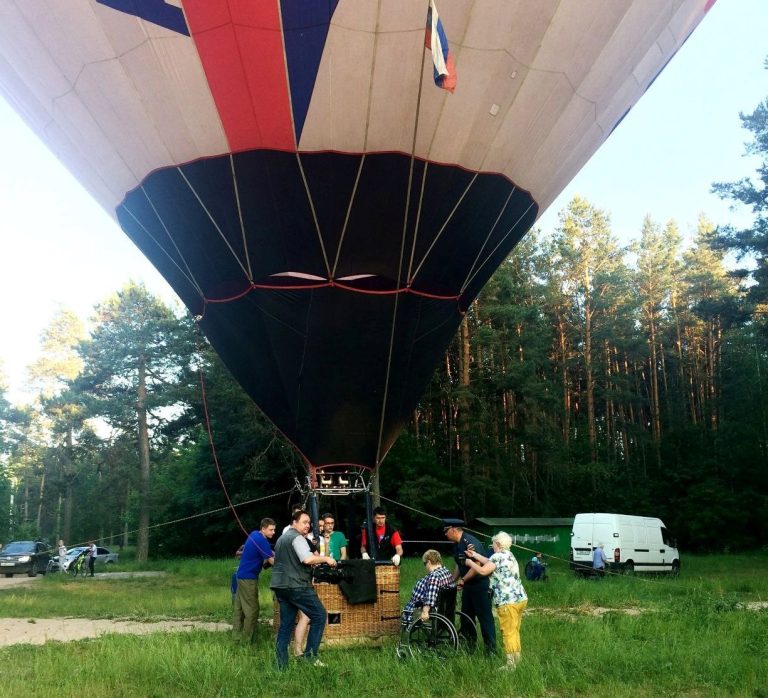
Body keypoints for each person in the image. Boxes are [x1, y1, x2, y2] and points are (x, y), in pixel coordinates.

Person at [271, 508, 337, 669]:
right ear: (294, 522)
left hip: (280, 586)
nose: (307, 525)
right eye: (304, 522)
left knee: (286, 624)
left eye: (309, 522)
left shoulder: (281, 539)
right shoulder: (297, 538)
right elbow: (307, 559)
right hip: (297, 586)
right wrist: (326, 559)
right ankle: (310, 657)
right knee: (320, 615)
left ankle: (281, 665)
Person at [466, 532, 528, 670]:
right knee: (514, 630)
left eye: (493, 543)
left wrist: (470, 562)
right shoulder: (508, 555)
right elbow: (489, 562)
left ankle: (511, 664)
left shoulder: (497, 556)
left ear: (498, 544)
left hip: (507, 601)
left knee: (508, 632)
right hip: (520, 598)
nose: (492, 546)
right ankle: (517, 659)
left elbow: (482, 571)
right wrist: (475, 555)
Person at [443, 519, 496, 655]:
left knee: (485, 618)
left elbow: (477, 565)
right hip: (468, 587)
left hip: (480, 586)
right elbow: (459, 565)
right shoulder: (456, 544)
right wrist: (451, 581)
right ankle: (469, 647)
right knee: (466, 617)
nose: (445, 534)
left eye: (446, 530)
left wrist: (463, 580)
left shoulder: (470, 543)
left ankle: (491, 651)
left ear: (453, 529)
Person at [232, 518, 276, 643]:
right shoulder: (261, 540)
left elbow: (268, 552)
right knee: (252, 610)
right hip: (249, 578)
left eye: (274, 529)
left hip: (240, 576)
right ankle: (246, 641)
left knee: (239, 609)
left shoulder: (254, 534)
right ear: (263, 529)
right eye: (271, 530)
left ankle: (236, 637)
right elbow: (272, 560)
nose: (273, 532)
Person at [401, 549, 454, 624]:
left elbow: (430, 597)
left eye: (424, 564)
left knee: (407, 611)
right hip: (445, 606)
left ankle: (407, 626)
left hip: (425, 605)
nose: (425, 566)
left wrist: (425, 612)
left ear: (429, 562)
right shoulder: (446, 572)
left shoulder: (434, 576)